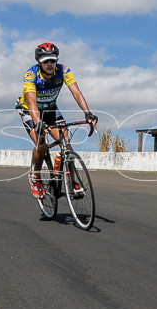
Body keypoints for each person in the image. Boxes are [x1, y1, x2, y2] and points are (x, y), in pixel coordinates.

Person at [17, 42, 97, 198]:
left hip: (51, 110)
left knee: (66, 142)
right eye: (46, 61)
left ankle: (73, 183)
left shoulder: (64, 70)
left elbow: (77, 93)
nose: (50, 64)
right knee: (41, 143)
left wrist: (88, 113)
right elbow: (32, 101)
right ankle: (35, 177)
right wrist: (38, 122)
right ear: (39, 62)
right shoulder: (31, 75)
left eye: (52, 60)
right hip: (30, 111)